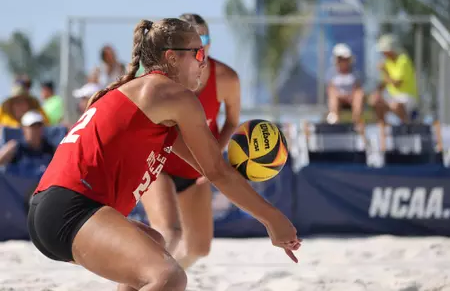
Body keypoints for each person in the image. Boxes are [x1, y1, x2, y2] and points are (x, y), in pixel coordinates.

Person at [27, 18, 300, 291]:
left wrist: (244, 176)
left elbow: (210, 169)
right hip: (70, 209)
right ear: (171, 57)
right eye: (198, 53)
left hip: (53, 208)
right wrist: (273, 219)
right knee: (169, 277)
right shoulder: (171, 94)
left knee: (155, 243)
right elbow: (217, 171)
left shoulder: (149, 97)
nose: (204, 61)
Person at [140, 13, 241, 269]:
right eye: (192, 39)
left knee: (199, 249)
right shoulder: (158, 81)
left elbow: (231, 122)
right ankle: (142, 280)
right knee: (168, 234)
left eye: (203, 37)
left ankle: (160, 279)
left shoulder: (226, 78)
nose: (199, 44)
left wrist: (213, 157)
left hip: (194, 169)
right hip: (158, 165)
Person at [368, 34, 418, 124]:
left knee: (395, 105)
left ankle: (406, 125)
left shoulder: (403, 60)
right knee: (375, 101)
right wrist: (376, 94)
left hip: (407, 97)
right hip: (393, 97)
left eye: (384, 51)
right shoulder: (387, 62)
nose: (383, 53)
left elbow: (396, 83)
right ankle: (383, 129)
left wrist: (384, 71)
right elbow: (384, 83)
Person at [326, 43, 364, 125]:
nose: (343, 61)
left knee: (359, 95)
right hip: (338, 99)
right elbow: (331, 89)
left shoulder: (355, 73)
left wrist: (350, 96)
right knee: (333, 97)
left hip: (351, 99)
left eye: (345, 59)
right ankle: (335, 120)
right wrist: (340, 96)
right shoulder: (332, 73)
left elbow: (357, 88)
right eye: (341, 59)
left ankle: (356, 121)